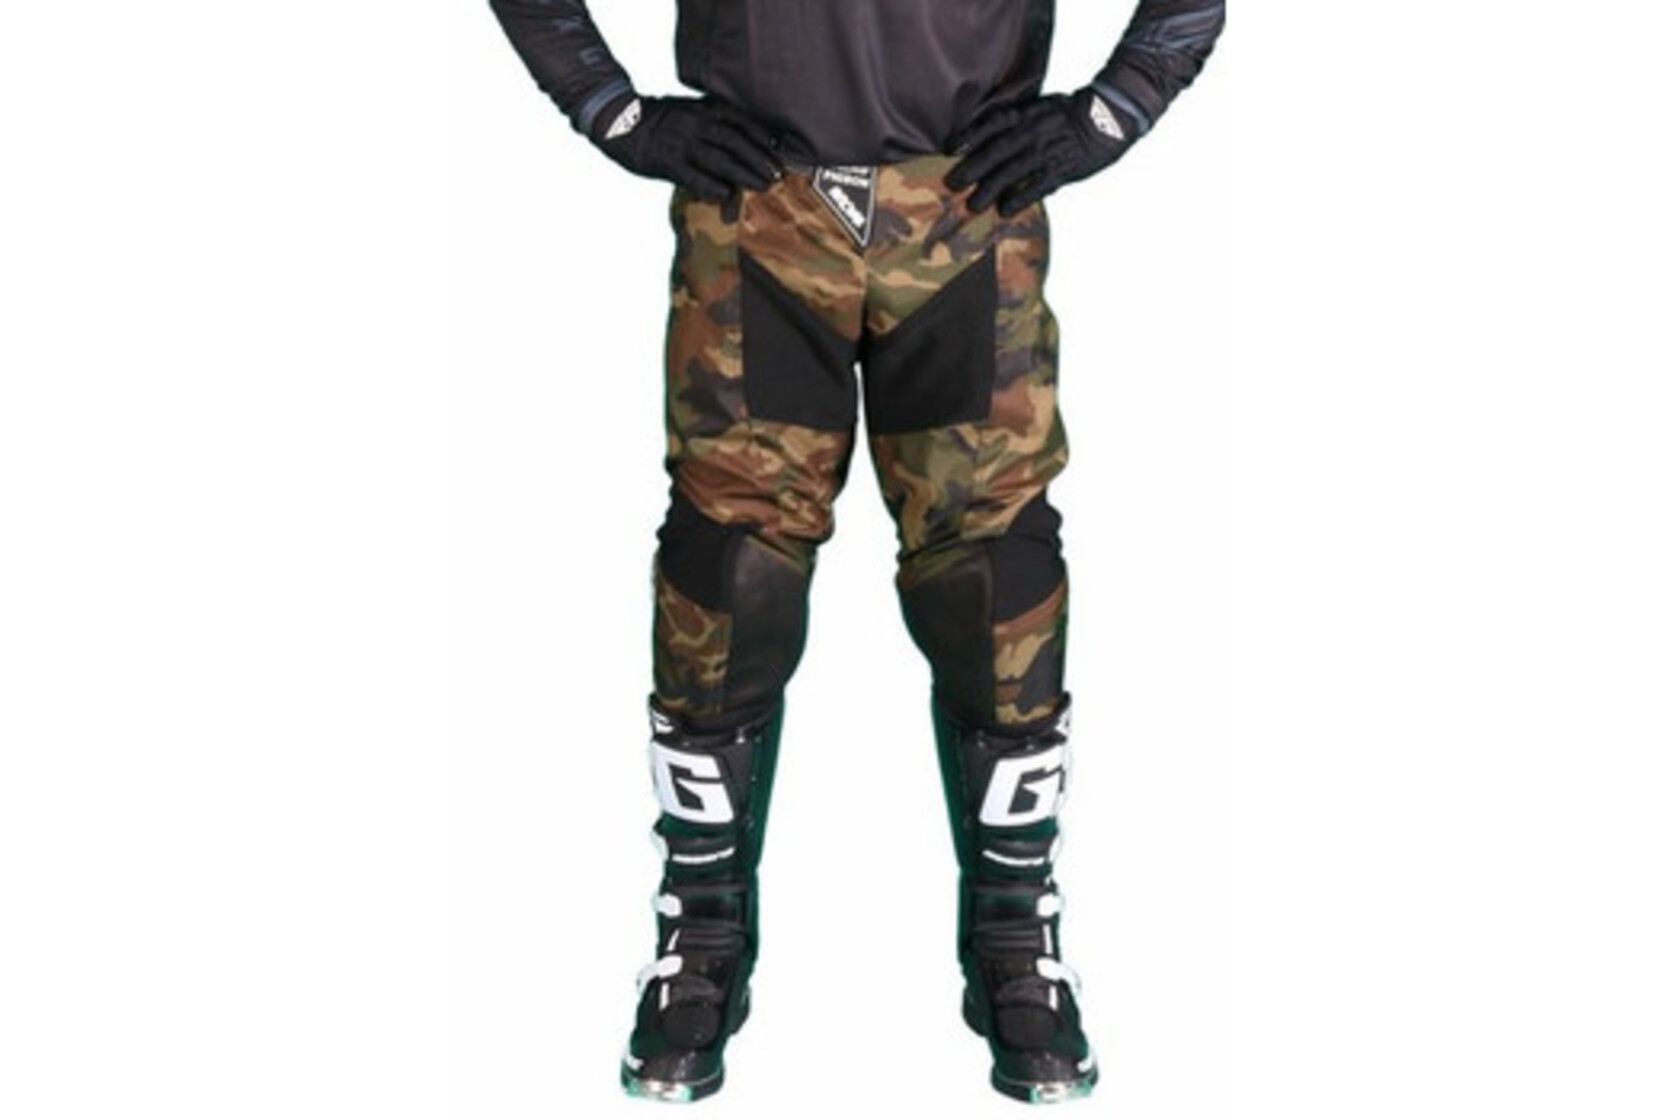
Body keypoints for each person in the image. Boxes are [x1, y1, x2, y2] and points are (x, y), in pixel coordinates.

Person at [487, 0, 1224, 1103]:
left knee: (997, 584)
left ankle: (1014, 939)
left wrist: (1110, 113)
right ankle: (704, 935)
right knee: (727, 575)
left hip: (966, 212)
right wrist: (611, 109)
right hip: (760, 213)